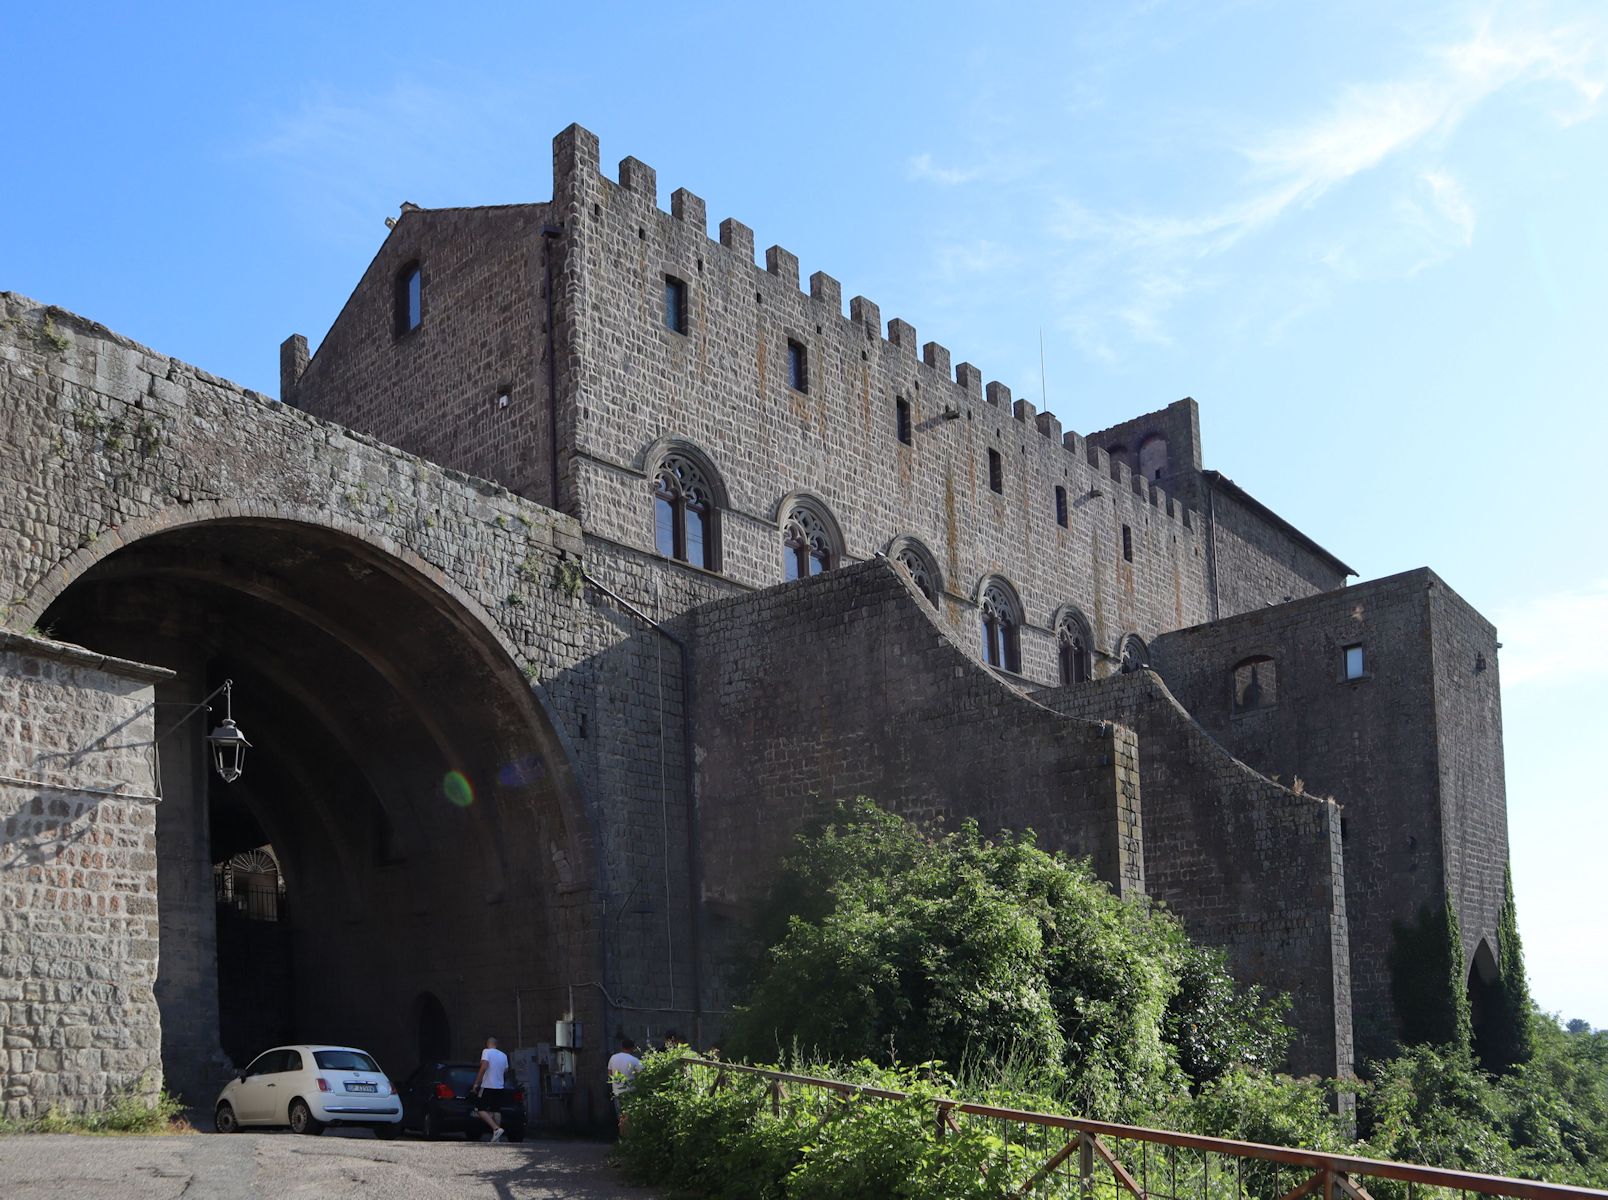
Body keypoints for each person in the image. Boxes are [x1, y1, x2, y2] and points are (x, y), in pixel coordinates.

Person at [470, 1035, 511, 1142]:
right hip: (499, 1086)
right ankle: (497, 1136)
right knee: (496, 1109)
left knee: (480, 1108)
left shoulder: (486, 1052)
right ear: (496, 1045)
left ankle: (496, 1128)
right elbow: (506, 1070)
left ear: (488, 1044)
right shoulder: (503, 1055)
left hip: (488, 1085)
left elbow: (484, 1067)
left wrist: (476, 1084)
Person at [606, 1035, 642, 1136]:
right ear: (632, 1048)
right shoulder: (635, 1060)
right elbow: (641, 1076)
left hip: (617, 1091)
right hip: (630, 1091)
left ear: (621, 1047)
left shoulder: (613, 1058)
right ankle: (628, 1139)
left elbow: (610, 1074)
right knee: (629, 1117)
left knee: (620, 1117)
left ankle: (622, 1138)